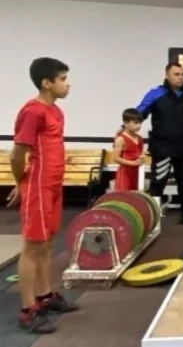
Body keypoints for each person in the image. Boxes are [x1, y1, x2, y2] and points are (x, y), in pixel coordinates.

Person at [8, 57, 79, 334]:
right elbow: (17, 154)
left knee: (48, 242)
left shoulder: (56, 112)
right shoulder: (32, 111)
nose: (67, 84)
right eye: (62, 79)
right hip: (37, 185)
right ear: (46, 83)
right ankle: (28, 309)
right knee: (32, 247)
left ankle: (45, 295)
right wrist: (21, 183)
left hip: (53, 185)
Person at [134, 62, 183, 228]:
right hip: (162, 148)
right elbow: (139, 112)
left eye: (182, 74)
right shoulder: (156, 93)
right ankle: (152, 219)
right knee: (157, 183)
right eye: (177, 74)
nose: (181, 77)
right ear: (167, 75)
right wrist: (124, 128)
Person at [112, 108, 145, 191]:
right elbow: (115, 158)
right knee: (124, 196)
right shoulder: (121, 139)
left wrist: (141, 159)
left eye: (140, 123)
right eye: (135, 123)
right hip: (125, 174)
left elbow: (139, 155)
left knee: (136, 196)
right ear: (126, 123)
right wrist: (133, 163)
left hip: (137, 173)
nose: (139, 126)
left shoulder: (140, 138)